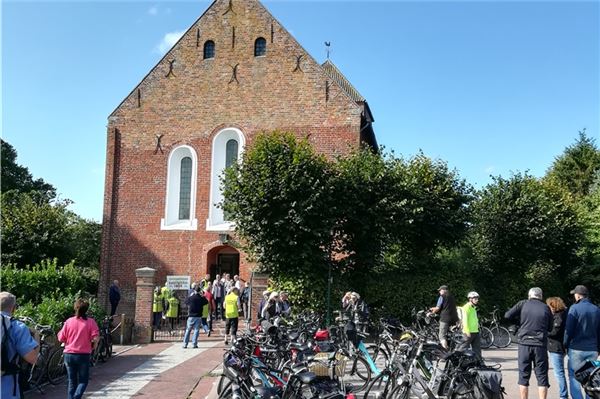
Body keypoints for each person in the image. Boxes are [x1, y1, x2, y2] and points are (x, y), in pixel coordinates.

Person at [505, 287, 553, 399]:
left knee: (523, 376)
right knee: (542, 376)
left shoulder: (522, 304)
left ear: (529, 295)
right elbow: (550, 328)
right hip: (540, 345)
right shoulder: (546, 308)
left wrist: (519, 322)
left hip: (524, 344)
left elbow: (507, 315)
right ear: (541, 296)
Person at [58, 298, 100, 399]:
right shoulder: (91, 322)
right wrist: (94, 346)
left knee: (72, 382)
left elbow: (60, 338)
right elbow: (96, 338)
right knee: (83, 381)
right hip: (83, 355)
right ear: (86, 309)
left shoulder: (69, 321)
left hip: (69, 354)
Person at [564, 285, 600, 399]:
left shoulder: (574, 308)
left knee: (574, 376)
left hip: (576, 348)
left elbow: (568, 330)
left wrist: (565, 344)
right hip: (593, 349)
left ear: (578, 295)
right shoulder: (596, 309)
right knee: (591, 377)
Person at [1, 292, 39, 399]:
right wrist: (36, 336)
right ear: (13, 308)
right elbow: (32, 358)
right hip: (6, 390)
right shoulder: (18, 327)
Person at [546, 296, 569, 399]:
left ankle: (563, 395)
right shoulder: (564, 313)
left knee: (559, 373)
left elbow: (555, 332)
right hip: (560, 346)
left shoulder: (558, 316)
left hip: (556, 347)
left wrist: (544, 331)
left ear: (553, 305)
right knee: (560, 372)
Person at [429, 285, 459, 350]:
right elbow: (447, 307)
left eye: (440, 290)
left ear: (444, 290)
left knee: (441, 336)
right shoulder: (451, 297)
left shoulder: (442, 297)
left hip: (445, 319)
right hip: (454, 319)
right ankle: (451, 347)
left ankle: (444, 352)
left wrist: (430, 313)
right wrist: (432, 308)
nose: (439, 291)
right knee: (448, 334)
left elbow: (437, 308)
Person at [458, 291, 482, 359]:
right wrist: (467, 331)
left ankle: (479, 363)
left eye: (477, 299)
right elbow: (465, 320)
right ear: (470, 299)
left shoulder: (473, 308)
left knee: (477, 350)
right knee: (462, 348)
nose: (477, 300)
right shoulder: (466, 308)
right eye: (475, 299)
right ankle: (456, 362)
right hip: (468, 332)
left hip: (475, 331)